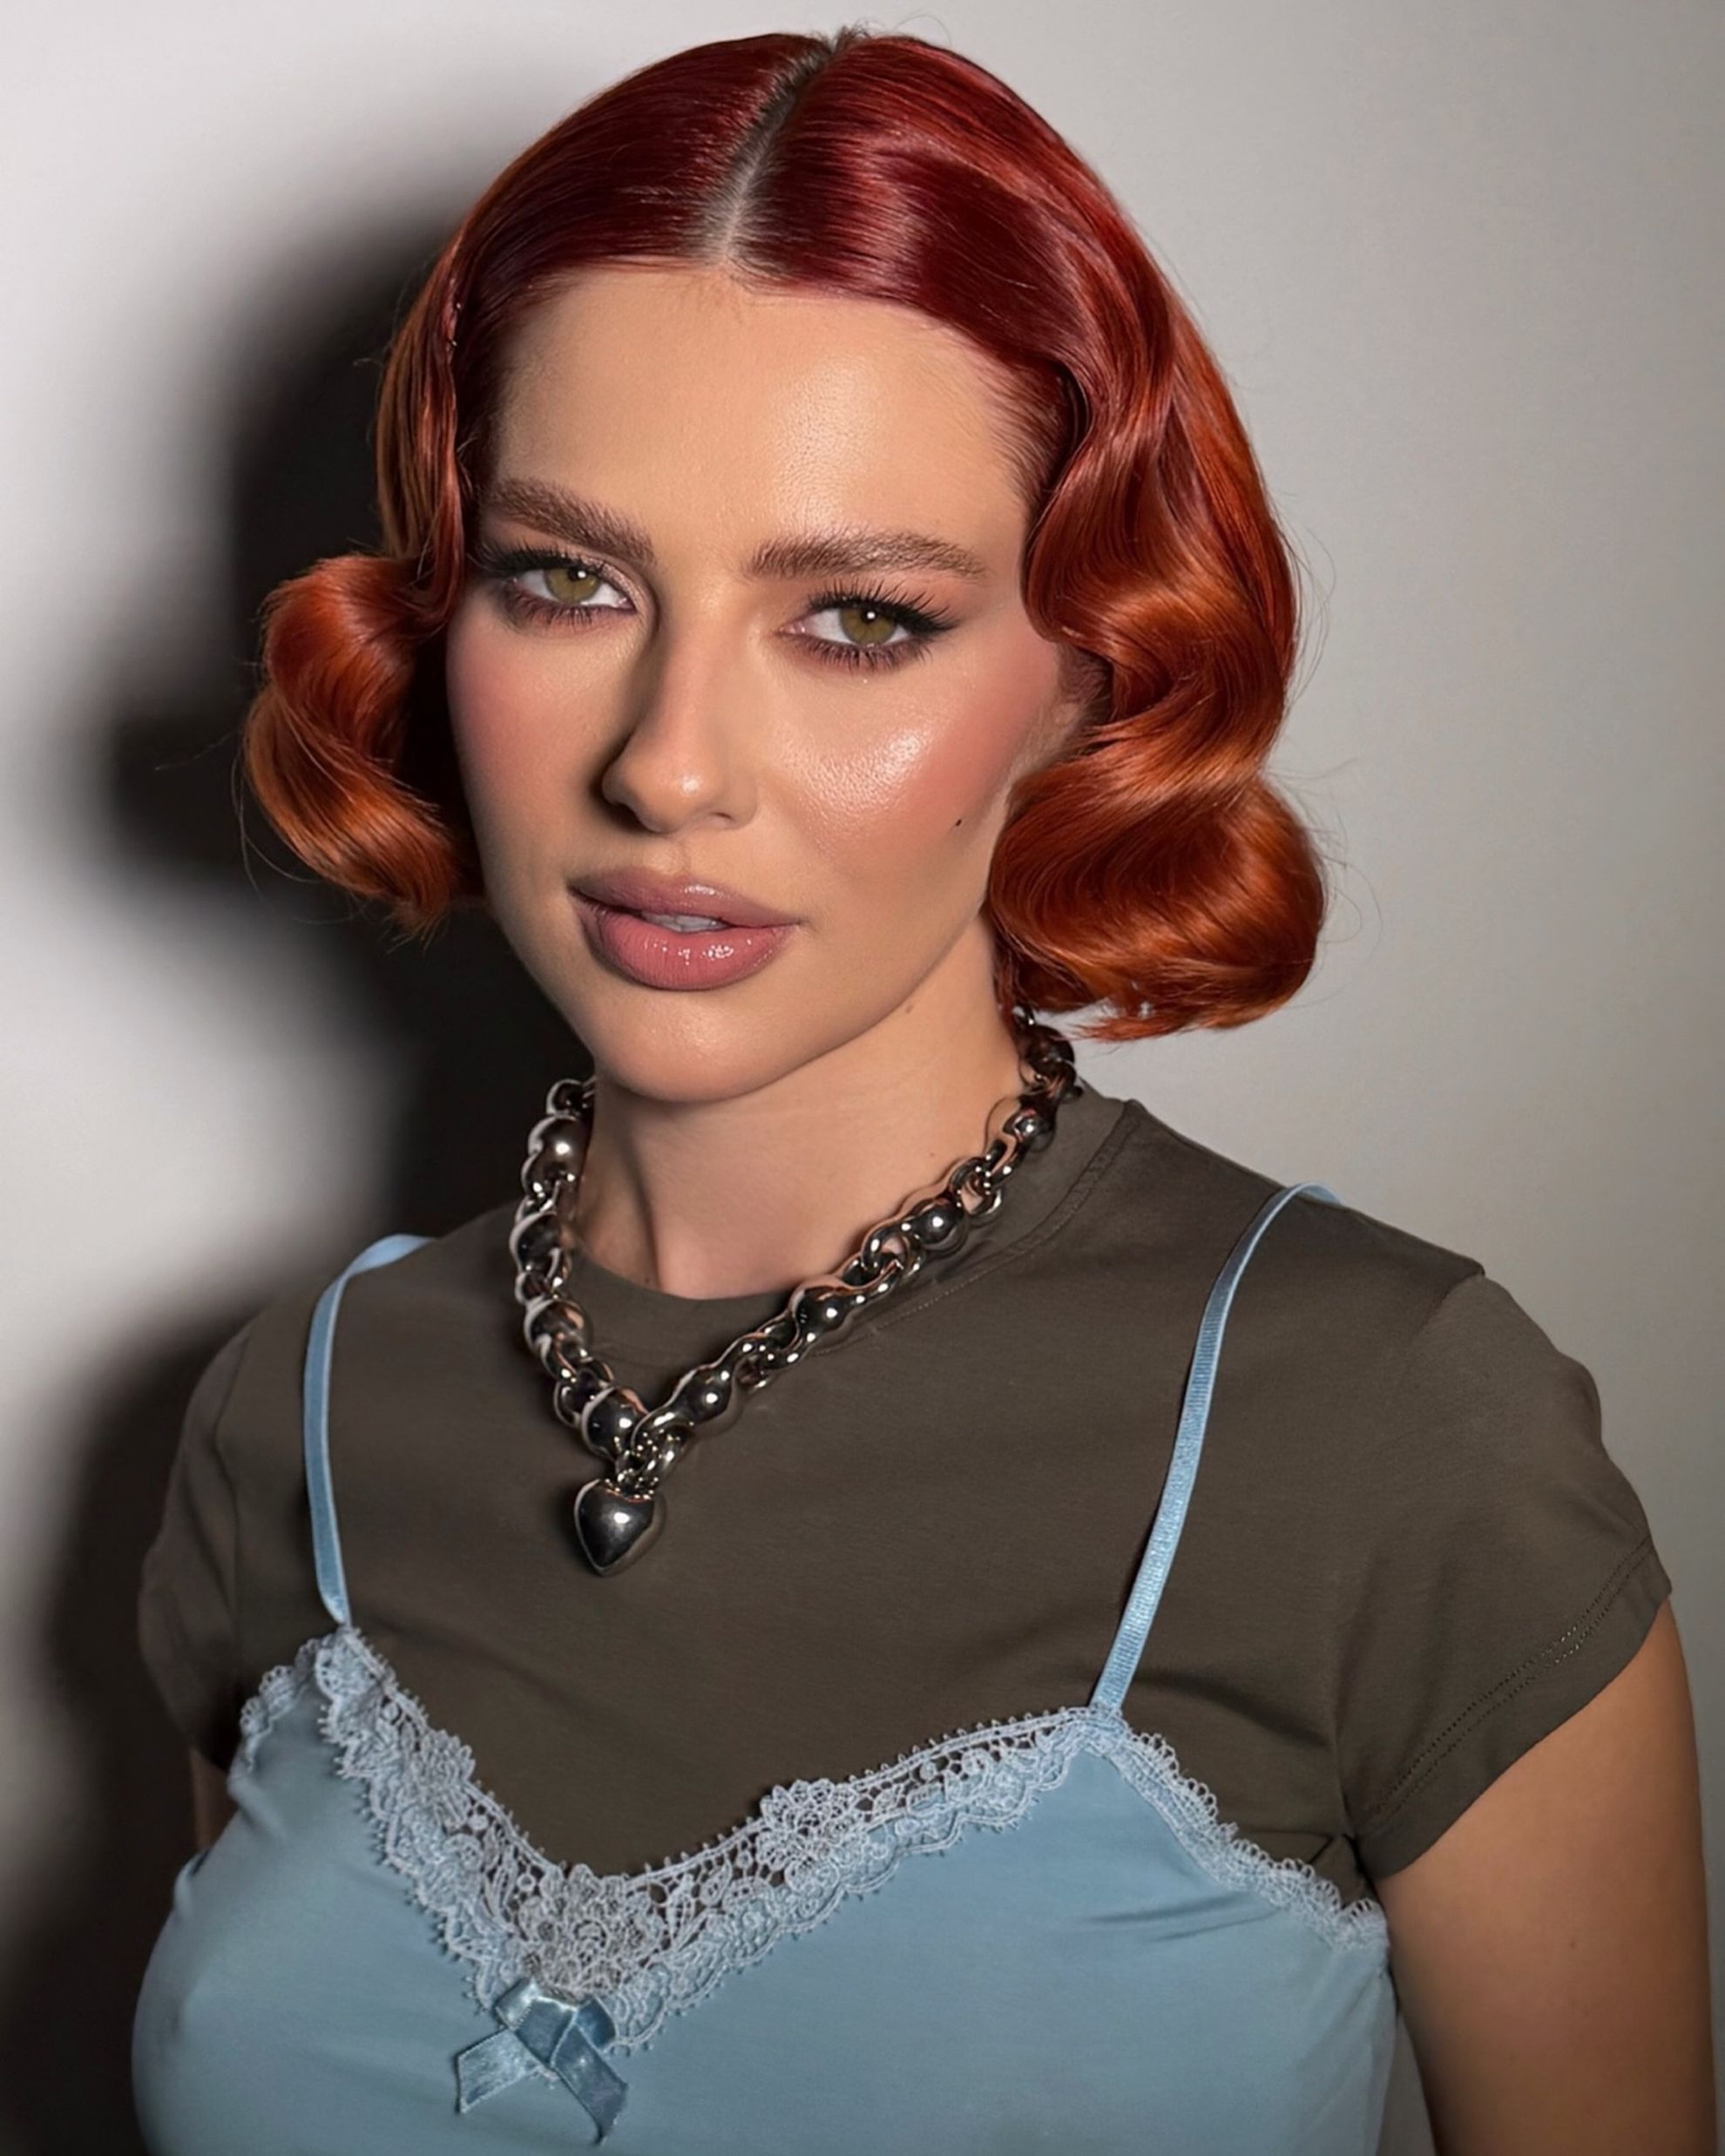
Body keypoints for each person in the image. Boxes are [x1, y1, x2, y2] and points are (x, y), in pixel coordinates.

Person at [130, 24, 1713, 2154]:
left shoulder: (1388, 1430)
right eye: (566, 579)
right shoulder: (295, 1413)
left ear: (1090, 672)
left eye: (861, 618)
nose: (670, 764)